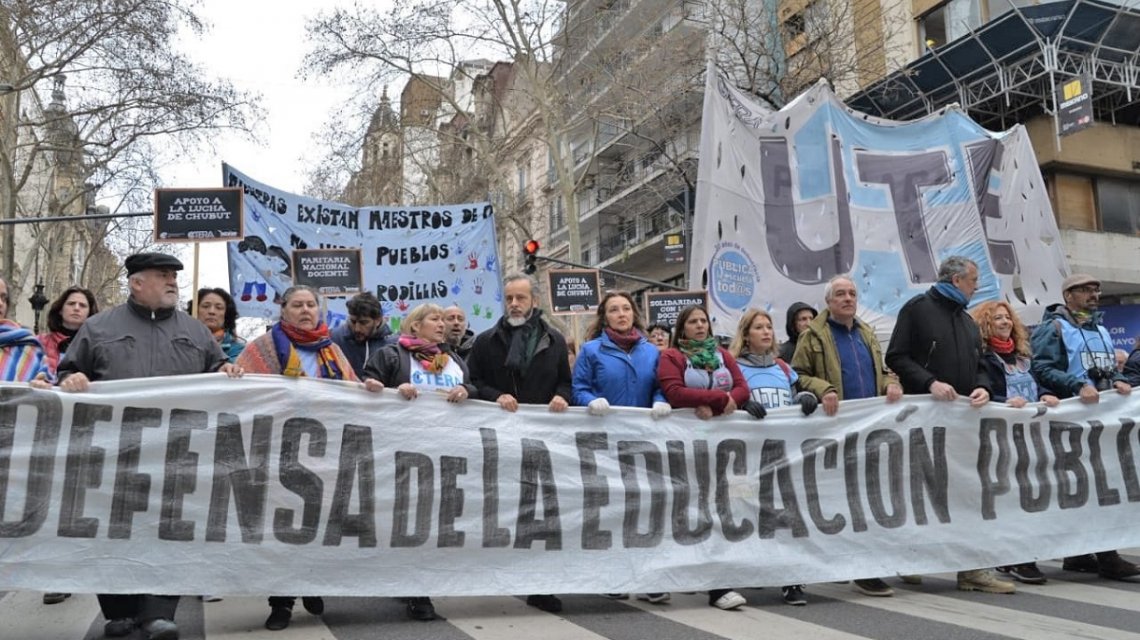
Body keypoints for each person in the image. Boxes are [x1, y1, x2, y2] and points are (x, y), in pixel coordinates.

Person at [43, 253, 243, 640]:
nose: (173, 283)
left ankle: (158, 612)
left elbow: (216, 368)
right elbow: (68, 370)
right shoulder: (99, 327)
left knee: (168, 529)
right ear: (137, 283)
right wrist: (74, 378)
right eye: (163, 276)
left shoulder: (196, 330)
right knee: (112, 529)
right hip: (114, 453)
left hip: (177, 453)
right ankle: (118, 610)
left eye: (174, 277)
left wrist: (226, 371)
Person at [234, 285, 364, 630]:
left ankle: (313, 583)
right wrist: (233, 376)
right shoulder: (262, 348)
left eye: (311, 305)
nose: (305, 310)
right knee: (281, 529)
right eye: (297, 305)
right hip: (278, 451)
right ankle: (281, 602)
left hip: (324, 453)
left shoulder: (333, 350)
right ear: (283, 310)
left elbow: (352, 393)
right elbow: (242, 393)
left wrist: (370, 391)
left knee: (319, 525)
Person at [885, 256, 1012, 594]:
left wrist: (983, 385)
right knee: (924, 492)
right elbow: (895, 356)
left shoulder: (969, 323)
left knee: (969, 493)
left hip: (963, 424)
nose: (975, 286)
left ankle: (972, 570)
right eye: (973, 280)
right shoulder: (917, 309)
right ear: (957, 281)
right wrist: (930, 383)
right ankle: (911, 557)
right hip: (925, 421)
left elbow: (982, 362)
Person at [789, 275, 905, 596]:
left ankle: (865, 569)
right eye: (840, 294)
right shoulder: (813, 336)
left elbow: (880, 372)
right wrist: (823, 388)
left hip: (868, 430)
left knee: (865, 499)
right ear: (828, 301)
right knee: (836, 501)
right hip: (833, 431)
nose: (848, 298)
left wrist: (890, 385)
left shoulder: (866, 332)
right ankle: (839, 560)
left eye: (852, 293)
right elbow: (797, 375)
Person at [467, 273, 572, 614]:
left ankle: (540, 586)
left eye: (521, 298)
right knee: (503, 512)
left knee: (539, 516)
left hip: (543, 442)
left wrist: (560, 397)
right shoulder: (485, 342)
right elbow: (474, 381)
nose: (514, 304)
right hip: (500, 441)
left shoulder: (554, 341)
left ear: (534, 302)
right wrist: (496, 396)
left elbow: (566, 384)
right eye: (509, 298)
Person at [362, 302, 471, 622]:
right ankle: (417, 592)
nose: (441, 325)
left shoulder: (452, 359)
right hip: (402, 453)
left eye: (443, 320)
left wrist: (467, 388)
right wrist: (393, 390)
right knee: (409, 522)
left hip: (446, 454)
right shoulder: (391, 355)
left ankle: (417, 583)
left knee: (433, 522)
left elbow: (474, 389)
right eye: (434, 320)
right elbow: (365, 389)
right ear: (414, 326)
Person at [1029, 273, 1139, 581]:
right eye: (1085, 290)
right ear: (1068, 295)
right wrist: (1076, 384)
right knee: (1076, 487)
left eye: (1096, 289)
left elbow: (1107, 370)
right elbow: (1041, 368)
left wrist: (1119, 380)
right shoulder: (1054, 328)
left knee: (1100, 486)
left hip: (1100, 422)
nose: (1093, 294)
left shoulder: (1100, 328)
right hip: (1069, 421)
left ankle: (1088, 554)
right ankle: (1101, 556)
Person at [571, 291, 671, 604]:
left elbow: (661, 386)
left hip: (644, 440)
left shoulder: (651, 352)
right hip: (606, 441)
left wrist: (660, 401)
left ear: (634, 314)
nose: (621, 314)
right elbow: (579, 388)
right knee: (613, 509)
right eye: (614, 310)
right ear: (605, 317)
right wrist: (590, 401)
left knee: (646, 508)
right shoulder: (591, 350)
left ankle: (650, 578)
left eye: (626, 308)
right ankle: (613, 575)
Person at [657, 305, 751, 610]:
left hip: (720, 446)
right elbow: (675, 392)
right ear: (682, 328)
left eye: (703, 321)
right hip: (684, 445)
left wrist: (725, 404)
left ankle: (718, 586)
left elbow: (742, 388)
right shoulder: (671, 357)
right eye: (693, 322)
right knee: (685, 510)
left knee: (718, 508)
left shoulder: (724, 356)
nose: (700, 326)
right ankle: (667, 575)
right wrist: (717, 399)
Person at [729, 307, 817, 606]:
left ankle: (791, 581)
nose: (766, 332)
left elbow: (797, 396)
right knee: (746, 515)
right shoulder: (735, 368)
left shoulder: (783, 368)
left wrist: (807, 398)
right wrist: (742, 408)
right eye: (758, 327)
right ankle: (745, 573)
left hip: (781, 456)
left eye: (769, 326)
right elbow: (727, 405)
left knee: (785, 517)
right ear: (746, 334)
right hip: (747, 459)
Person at [969, 300, 1059, 584]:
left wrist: (1045, 394)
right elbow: (980, 392)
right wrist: (1003, 402)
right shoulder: (983, 359)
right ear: (986, 325)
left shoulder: (1022, 358)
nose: (1005, 322)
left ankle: (1022, 554)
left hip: (1030, 439)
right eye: (997, 319)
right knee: (1010, 498)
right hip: (1000, 439)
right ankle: (1016, 557)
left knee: (1032, 495)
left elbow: (1034, 384)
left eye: (1008, 318)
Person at [37, 286, 98, 377]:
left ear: (89, 313)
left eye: (82, 305)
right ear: (60, 310)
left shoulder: (98, 347)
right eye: (71, 303)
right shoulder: (39, 342)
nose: (77, 308)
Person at [330, 291, 393, 379]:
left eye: (364, 322)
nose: (357, 328)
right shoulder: (334, 339)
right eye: (353, 321)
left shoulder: (392, 344)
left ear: (378, 320)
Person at [0, 277, 50, 383]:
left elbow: (44, 383)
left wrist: (43, 381)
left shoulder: (25, 345)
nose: (0, 303)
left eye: (3, 298)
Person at [190, 287, 245, 362]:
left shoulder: (238, 350)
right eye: (205, 306)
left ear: (227, 314)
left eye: (219, 308)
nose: (211, 311)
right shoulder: (180, 342)